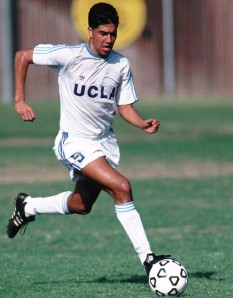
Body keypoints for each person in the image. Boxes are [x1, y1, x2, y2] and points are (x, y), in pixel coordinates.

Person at [7, 2, 170, 276]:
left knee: (81, 205)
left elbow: (124, 106)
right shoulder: (69, 56)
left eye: (113, 34)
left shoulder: (121, 64)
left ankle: (28, 205)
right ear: (90, 31)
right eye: (103, 33)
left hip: (103, 143)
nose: (109, 39)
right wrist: (20, 100)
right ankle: (150, 261)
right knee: (122, 187)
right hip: (74, 142)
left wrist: (142, 124)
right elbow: (22, 56)